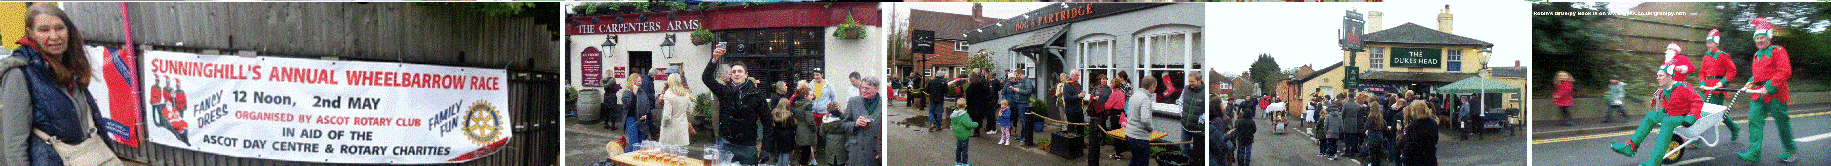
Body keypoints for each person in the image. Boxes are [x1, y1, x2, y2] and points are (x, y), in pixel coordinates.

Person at [2, 4, 124, 165]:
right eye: (44, 30)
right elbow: (14, 144)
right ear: (30, 34)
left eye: (59, 28)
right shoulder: (19, 73)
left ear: (69, 31)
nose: (54, 36)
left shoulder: (71, 65)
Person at [1609, 47, 1704, 166]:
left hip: (1684, 117)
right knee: (1650, 116)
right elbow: (1667, 104)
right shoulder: (1666, 90)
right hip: (1671, 114)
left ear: (1670, 76)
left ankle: (1656, 160)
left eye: (1661, 75)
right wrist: (1663, 110)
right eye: (1657, 75)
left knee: (1668, 122)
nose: (1658, 78)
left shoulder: (1684, 86)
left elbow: (1698, 101)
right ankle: (1631, 146)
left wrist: (1692, 116)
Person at [1737, 17, 1798, 163]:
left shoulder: (1778, 51)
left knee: (1782, 122)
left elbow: (1785, 71)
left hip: (1776, 94)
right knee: (1754, 121)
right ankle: (1754, 153)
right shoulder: (1756, 55)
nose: (1759, 40)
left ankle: (1790, 150)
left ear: (1768, 37)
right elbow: (1757, 76)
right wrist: (1749, 83)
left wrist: (1769, 86)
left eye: (1762, 37)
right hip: (1758, 95)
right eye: (1757, 38)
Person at [703, 45, 767, 165]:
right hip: (727, 145)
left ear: (746, 74)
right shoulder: (724, 91)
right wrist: (714, 60)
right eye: (734, 72)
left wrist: (765, 148)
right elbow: (706, 78)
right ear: (731, 75)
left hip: (748, 147)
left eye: (740, 71)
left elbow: (767, 122)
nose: (737, 74)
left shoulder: (757, 94)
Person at [1696, 29, 1742, 141]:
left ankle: (1696, 138)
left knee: (1711, 113)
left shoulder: (1723, 56)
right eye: (1707, 43)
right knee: (1701, 110)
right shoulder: (1706, 57)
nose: (1708, 45)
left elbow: (1732, 70)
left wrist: (1722, 83)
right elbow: (1702, 72)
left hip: (1717, 90)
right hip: (1706, 88)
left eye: (1710, 43)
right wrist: (1702, 82)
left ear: (1716, 43)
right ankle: (1734, 127)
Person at [844, 77, 882, 166]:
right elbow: (844, 124)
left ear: (877, 89)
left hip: (875, 151)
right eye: (862, 88)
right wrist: (855, 124)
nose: (863, 91)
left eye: (867, 88)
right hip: (857, 151)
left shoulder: (883, 104)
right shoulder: (853, 101)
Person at [1125, 75, 1159, 166]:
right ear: (1151, 87)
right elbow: (1145, 119)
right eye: (1155, 87)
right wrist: (1151, 128)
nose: (1155, 89)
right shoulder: (1145, 99)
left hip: (1129, 134)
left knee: (1135, 159)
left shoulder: (1134, 95)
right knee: (1142, 163)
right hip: (1139, 137)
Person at [618, 73, 654, 152]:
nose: (640, 83)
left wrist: (646, 114)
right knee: (634, 145)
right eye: (638, 81)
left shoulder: (642, 92)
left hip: (641, 122)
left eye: (641, 81)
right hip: (631, 120)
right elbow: (628, 106)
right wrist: (634, 94)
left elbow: (647, 104)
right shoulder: (626, 93)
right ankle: (623, 161)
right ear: (632, 81)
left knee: (640, 145)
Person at [1398, 100, 1438, 166]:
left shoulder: (1414, 125)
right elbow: (1436, 139)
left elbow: (1409, 146)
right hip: (1430, 158)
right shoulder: (1433, 122)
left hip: (1416, 159)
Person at [658, 75, 694, 146]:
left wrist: (664, 125)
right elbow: (690, 110)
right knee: (682, 155)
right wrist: (687, 120)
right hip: (682, 128)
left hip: (670, 129)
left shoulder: (668, 95)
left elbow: (667, 116)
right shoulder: (686, 94)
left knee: (669, 155)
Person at [1002, 70, 1035, 146]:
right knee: (1021, 120)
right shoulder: (1021, 81)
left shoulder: (1027, 81)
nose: (1016, 77)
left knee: (1024, 121)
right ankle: (1022, 136)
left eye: (1016, 75)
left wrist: (1018, 90)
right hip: (1018, 103)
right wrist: (1013, 88)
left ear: (1020, 74)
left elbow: (1029, 91)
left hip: (1023, 103)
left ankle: (1025, 137)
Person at [791, 82, 819, 166]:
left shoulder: (798, 104)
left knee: (804, 152)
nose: (812, 96)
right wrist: (814, 128)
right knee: (805, 154)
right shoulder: (807, 105)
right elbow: (810, 120)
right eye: (811, 95)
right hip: (807, 131)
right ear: (805, 96)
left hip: (800, 129)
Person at [950, 98, 978, 166]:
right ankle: (964, 163)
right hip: (964, 135)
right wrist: (976, 124)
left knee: (958, 149)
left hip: (958, 135)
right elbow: (968, 124)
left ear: (957, 106)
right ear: (965, 106)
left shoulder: (954, 115)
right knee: (964, 150)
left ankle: (957, 162)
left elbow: (953, 124)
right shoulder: (965, 115)